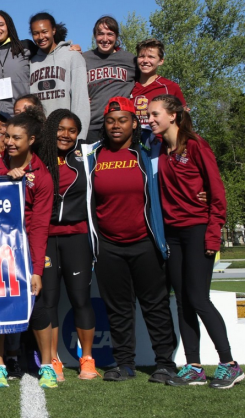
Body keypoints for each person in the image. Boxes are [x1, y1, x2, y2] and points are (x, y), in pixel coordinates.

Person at [148, 95, 242, 389]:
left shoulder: (197, 145)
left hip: (199, 230)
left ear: (173, 115)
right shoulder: (161, 148)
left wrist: (213, 233)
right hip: (173, 234)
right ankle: (194, 366)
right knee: (183, 302)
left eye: (154, 114)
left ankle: (229, 364)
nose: (149, 120)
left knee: (199, 298)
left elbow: (217, 192)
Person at [82, 97, 178, 384]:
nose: (115, 125)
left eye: (122, 120)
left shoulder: (148, 151)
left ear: (134, 123)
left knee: (155, 305)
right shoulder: (92, 156)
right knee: (118, 308)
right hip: (109, 246)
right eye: (110, 120)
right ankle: (124, 363)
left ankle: (165, 363)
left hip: (145, 242)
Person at [0, 108, 57, 389]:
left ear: (32, 140)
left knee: (36, 309)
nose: (9, 142)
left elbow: (39, 227)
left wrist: (36, 269)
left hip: (24, 250)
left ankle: (48, 366)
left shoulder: (44, 177)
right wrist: (5, 179)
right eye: (7, 136)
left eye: (17, 137)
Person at [39, 109, 98, 382]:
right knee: (48, 301)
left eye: (72, 130)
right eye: (60, 129)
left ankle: (87, 359)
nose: (65, 135)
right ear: (51, 130)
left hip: (77, 236)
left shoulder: (86, 157)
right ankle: (53, 360)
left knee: (80, 299)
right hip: (46, 239)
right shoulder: (38, 159)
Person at [28, 13, 90, 140]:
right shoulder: (30, 62)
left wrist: (80, 138)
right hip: (41, 136)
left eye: (45, 31)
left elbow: (80, 100)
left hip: (66, 134)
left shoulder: (72, 56)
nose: (41, 37)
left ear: (54, 30)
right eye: (36, 33)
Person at [83, 16, 136, 142]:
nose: (105, 39)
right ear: (95, 36)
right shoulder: (84, 59)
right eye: (100, 34)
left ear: (116, 37)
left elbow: (147, 82)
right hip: (92, 126)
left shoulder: (129, 59)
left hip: (120, 126)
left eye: (110, 34)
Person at [131, 39, 186, 128]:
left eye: (151, 57)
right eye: (141, 56)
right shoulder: (128, 86)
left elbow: (183, 117)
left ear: (161, 61)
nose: (145, 60)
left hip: (160, 140)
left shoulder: (170, 87)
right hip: (133, 139)